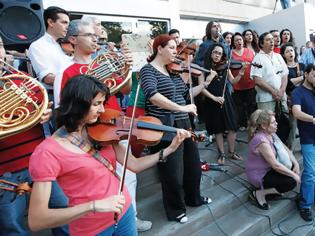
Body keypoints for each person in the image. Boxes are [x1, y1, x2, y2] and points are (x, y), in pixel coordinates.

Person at [27, 75, 190, 235]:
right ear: (77, 104)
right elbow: (37, 220)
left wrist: (169, 149)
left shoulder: (103, 132)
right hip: (92, 229)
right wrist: (94, 205)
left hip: (125, 214)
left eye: (103, 103)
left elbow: (134, 165)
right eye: (97, 104)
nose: (103, 110)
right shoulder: (47, 152)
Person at [140, 34, 213, 223]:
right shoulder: (148, 70)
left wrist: (201, 85)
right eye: (172, 48)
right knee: (172, 171)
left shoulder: (172, 71)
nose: (175, 51)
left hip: (184, 123)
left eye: (175, 48)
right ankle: (175, 209)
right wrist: (182, 108)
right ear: (159, 49)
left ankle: (193, 198)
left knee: (193, 165)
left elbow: (186, 93)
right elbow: (153, 96)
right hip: (166, 126)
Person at [0, 36, 69, 235]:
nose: (0, 53)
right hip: (6, 172)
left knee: (63, 211)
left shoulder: (20, 81)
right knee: (12, 227)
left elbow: (44, 106)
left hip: (39, 161)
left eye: (1, 47)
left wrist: (48, 114)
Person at [246, 109, 299, 210]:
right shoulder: (261, 141)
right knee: (291, 181)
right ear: (264, 126)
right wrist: (294, 175)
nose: (276, 124)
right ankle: (259, 193)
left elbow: (285, 148)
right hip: (259, 174)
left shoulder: (271, 134)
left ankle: (272, 189)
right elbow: (275, 165)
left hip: (269, 169)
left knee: (292, 169)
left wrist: (296, 163)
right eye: (273, 122)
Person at [201, 42, 245, 164]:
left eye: (220, 53)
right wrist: (214, 98)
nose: (217, 55)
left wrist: (240, 74)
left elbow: (233, 81)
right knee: (218, 129)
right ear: (210, 53)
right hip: (212, 101)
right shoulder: (203, 69)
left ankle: (232, 152)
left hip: (226, 99)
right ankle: (222, 154)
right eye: (215, 52)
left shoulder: (225, 66)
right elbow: (202, 89)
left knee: (232, 127)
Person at [28, 6, 72, 104]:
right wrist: (76, 79)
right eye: (64, 22)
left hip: (64, 94)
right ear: (51, 22)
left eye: (68, 23)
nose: (67, 27)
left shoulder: (57, 46)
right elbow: (47, 78)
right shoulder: (38, 45)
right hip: (51, 98)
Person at [292, 64, 315, 222]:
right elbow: (297, 112)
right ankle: (305, 205)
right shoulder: (298, 92)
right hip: (308, 138)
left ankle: (309, 196)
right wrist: (313, 119)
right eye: (314, 74)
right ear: (306, 74)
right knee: (310, 172)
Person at [250, 32, 289, 113]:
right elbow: (258, 80)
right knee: (267, 123)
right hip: (266, 99)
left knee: (284, 123)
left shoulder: (278, 56)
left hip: (282, 97)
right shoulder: (257, 58)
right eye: (268, 40)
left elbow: (284, 75)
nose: (272, 41)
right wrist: (273, 92)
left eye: (272, 39)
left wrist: (282, 91)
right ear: (261, 44)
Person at [280, 43, 304, 150]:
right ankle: (290, 150)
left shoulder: (301, 65)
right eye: (287, 51)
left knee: (306, 124)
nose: (291, 53)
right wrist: (303, 78)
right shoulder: (283, 68)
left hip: (303, 98)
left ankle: (305, 146)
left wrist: (296, 81)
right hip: (291, 99)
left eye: (292, 50)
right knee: (293, 125)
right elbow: (288, 84)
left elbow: (308, 81)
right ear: (283, 55)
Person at [231, 32, 256, 131]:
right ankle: (242, 124)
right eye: (236, 40)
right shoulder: (230, 53)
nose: (239, 41)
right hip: (237, 85)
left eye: (240, 39)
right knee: (239, 107)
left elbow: (254, 65)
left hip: (250, 83)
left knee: (251, 105)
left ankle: (252, 123)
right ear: (233, 42)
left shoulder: (249, 51)